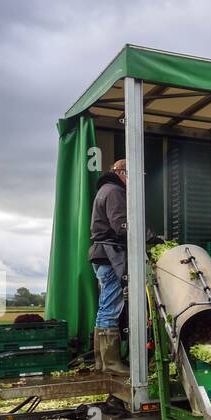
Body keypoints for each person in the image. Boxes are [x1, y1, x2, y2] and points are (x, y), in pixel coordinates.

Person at [87, 159, 129, 376]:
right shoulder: (114, 191)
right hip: (110, 255)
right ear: (122, 172)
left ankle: (102, 363)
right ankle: (111, 363)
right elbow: (121, 224)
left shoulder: (105, 189)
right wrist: (150, 237)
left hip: (101, 255)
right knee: (110, 308)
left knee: (105, 307)